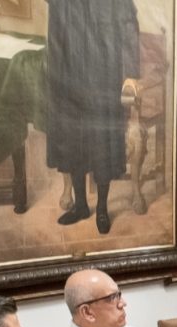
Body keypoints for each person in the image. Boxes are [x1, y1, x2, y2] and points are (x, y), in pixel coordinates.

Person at [47, 0, 139, 234]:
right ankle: (80, 206)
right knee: (73, 141)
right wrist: (55, 76)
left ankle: (102, 209)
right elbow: (55, 29)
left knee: (101, 144)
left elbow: (129, 24)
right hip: (69, 75)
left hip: (103, 77)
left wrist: (130, 74)